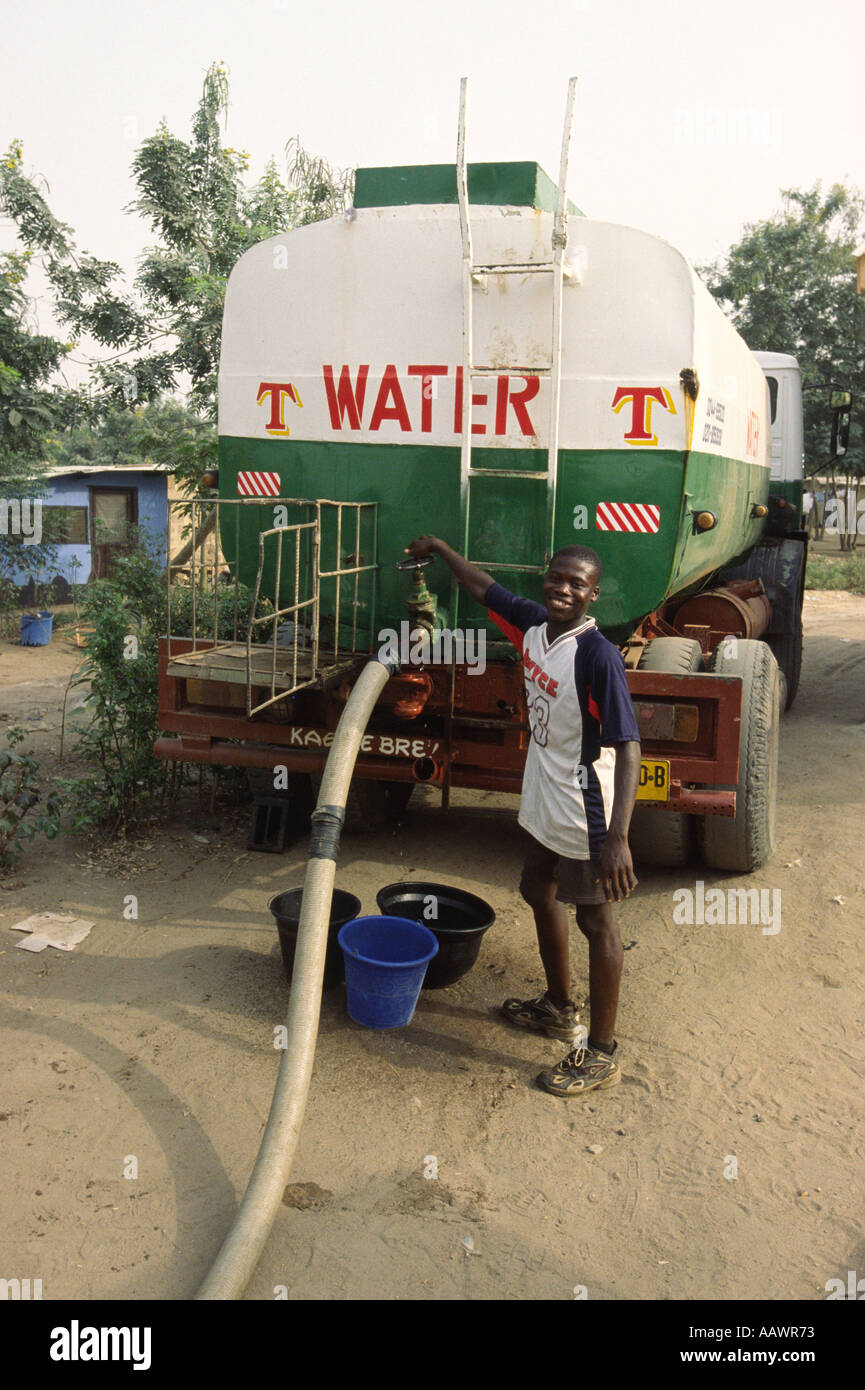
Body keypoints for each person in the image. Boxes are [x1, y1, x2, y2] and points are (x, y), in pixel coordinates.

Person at [405, 535, 641, 1097]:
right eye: (557, 578)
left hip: (586, 801)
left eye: (576, 584)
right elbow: (483, 586)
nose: (564, 589)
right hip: (543, 787)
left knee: (597, 922)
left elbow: (630, 746)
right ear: (546, 577)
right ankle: (559, 1006)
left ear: (593, 595)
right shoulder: (536, 625)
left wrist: (619, 838)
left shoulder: (596, 653)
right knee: (537, 889)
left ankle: (602, 1051)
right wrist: (439, 548)